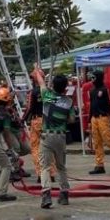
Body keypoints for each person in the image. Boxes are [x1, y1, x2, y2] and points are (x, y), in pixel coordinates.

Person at [32, 64, 74, 209]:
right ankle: (64, 195)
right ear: (65, 88)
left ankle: (46, 196)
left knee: (45, 167)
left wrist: (37, 69)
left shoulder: (47, 96)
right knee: (61, 167)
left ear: (54, 85)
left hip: (47, 137)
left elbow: (41, 82)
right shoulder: (69, 102)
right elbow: (72, 120)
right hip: (61, 137)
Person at [22, 82, 56, 183]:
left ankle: (41, 174)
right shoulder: (48, 91)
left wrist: (23, 119)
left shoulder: (34, 92)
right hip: (48, 121)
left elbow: (31, 108)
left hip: (37, 120)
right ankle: (52, 173)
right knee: (49, 148)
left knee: (36, 148)